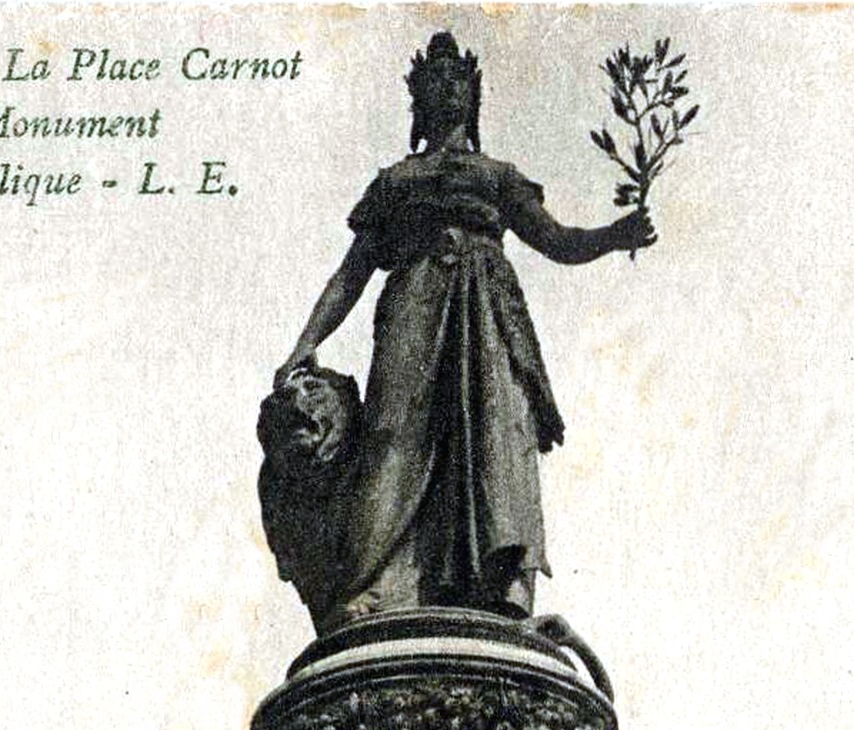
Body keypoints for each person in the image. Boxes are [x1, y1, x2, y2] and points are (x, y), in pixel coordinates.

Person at [274, 31, 655, 623]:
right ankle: (375, 584)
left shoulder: (498, 176)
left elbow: (556, 241)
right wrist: (307, 341)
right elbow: (351, 274)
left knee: (496, 430)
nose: (448, 86)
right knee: (392, 437)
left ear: (473, 97)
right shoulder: (395, 184)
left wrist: (615, 235)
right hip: (412, 306)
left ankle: (502, 584)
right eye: (435, 79)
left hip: (487, 311)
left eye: (459, 79)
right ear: (418, 99)